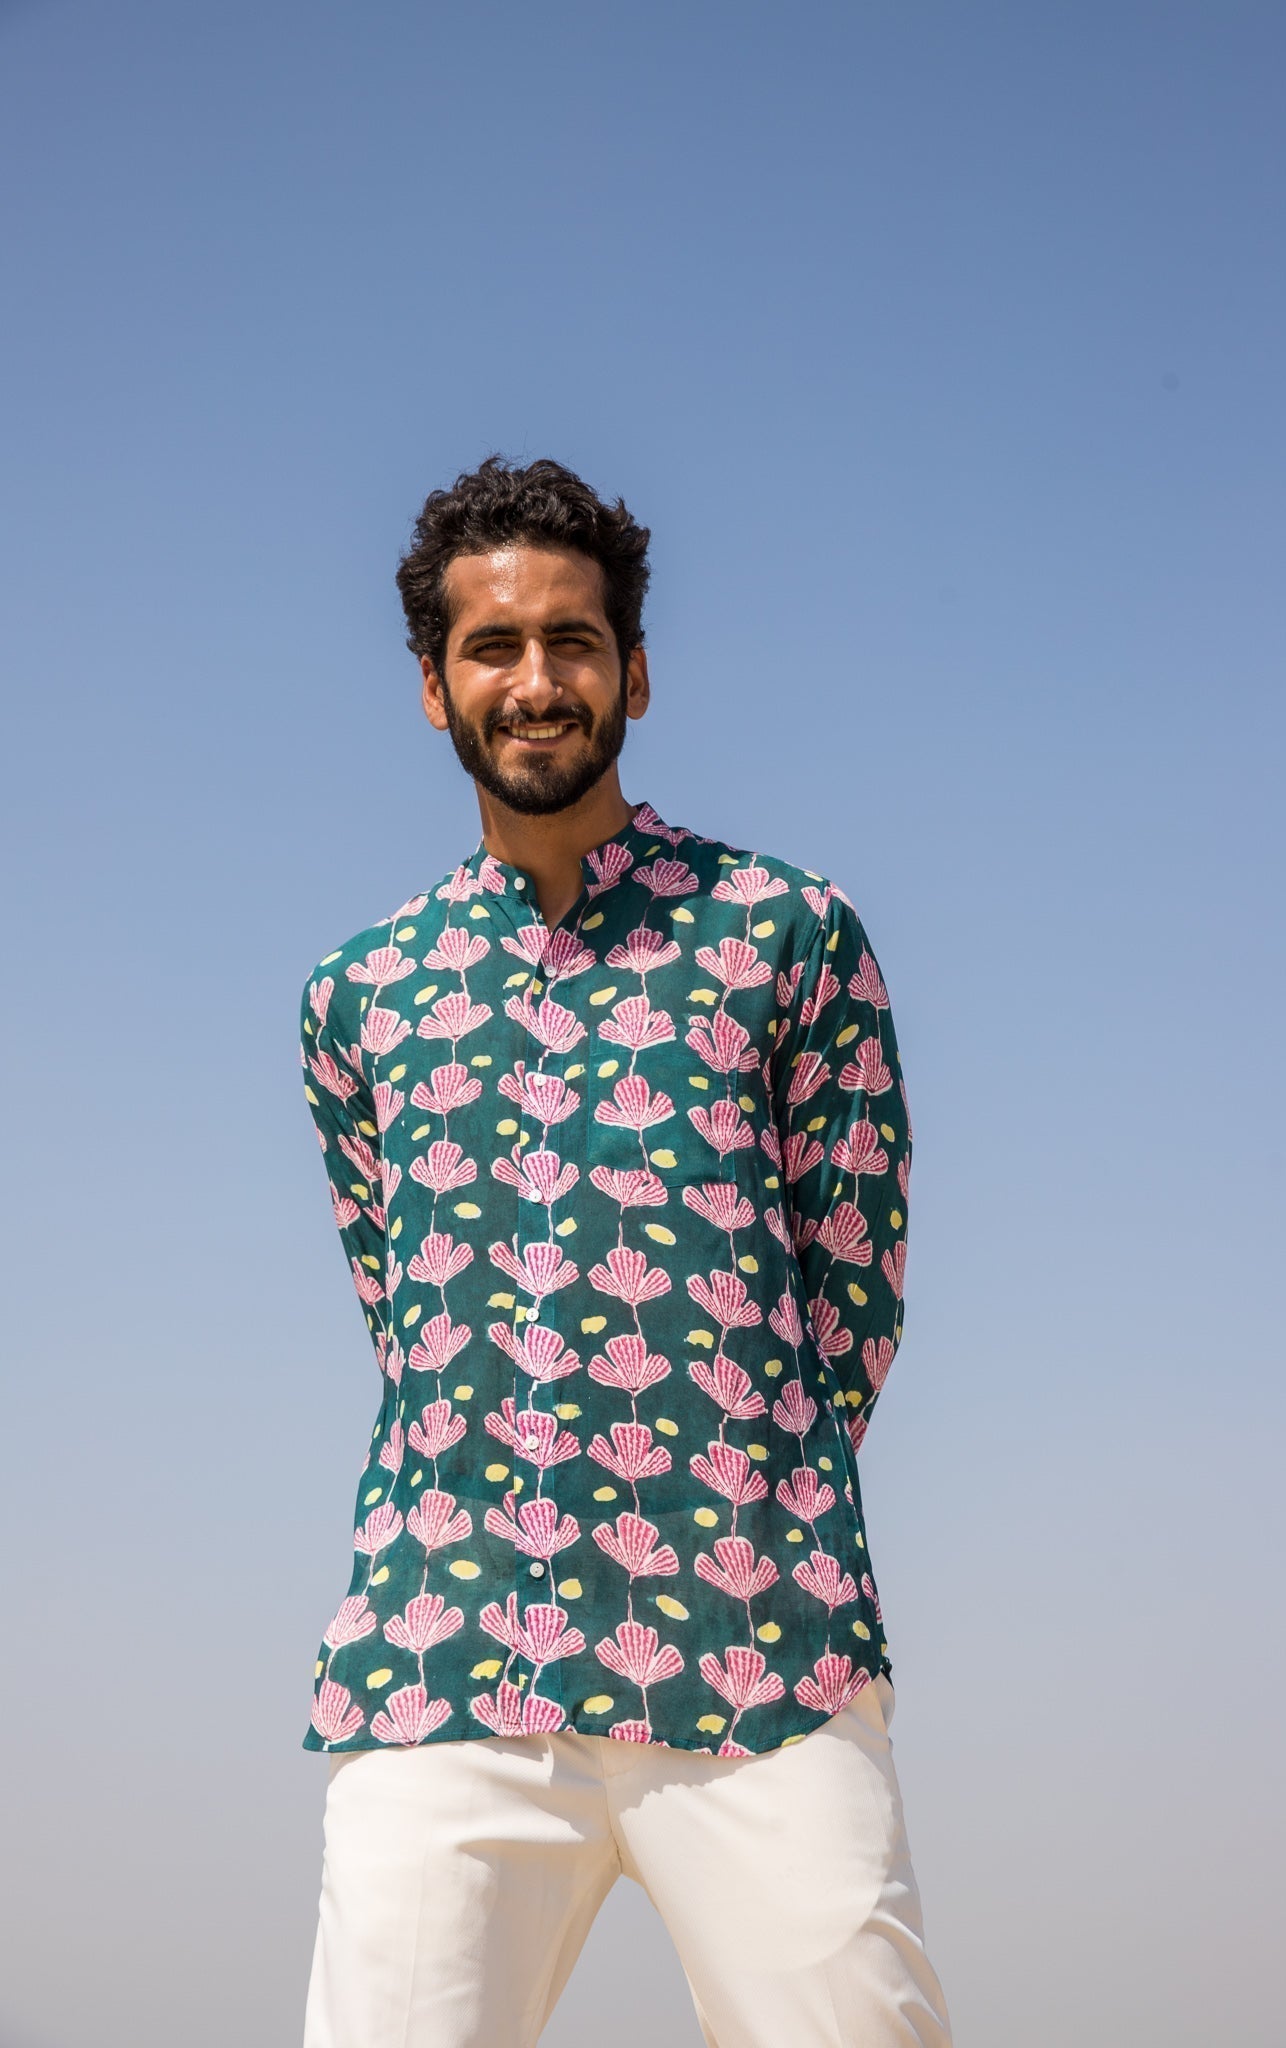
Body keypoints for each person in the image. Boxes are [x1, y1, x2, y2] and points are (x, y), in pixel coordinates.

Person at [297, 456, 952, 2048]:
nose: (535, 681)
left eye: (571, 643)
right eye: (492, 647)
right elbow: (405, 1313)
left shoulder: (784, 934)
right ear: (434, 689)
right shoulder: (360, 996)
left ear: (632, 673)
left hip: (756, 1644)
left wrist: (717, 1496)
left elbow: (851, 1290)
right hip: (446, 1657)